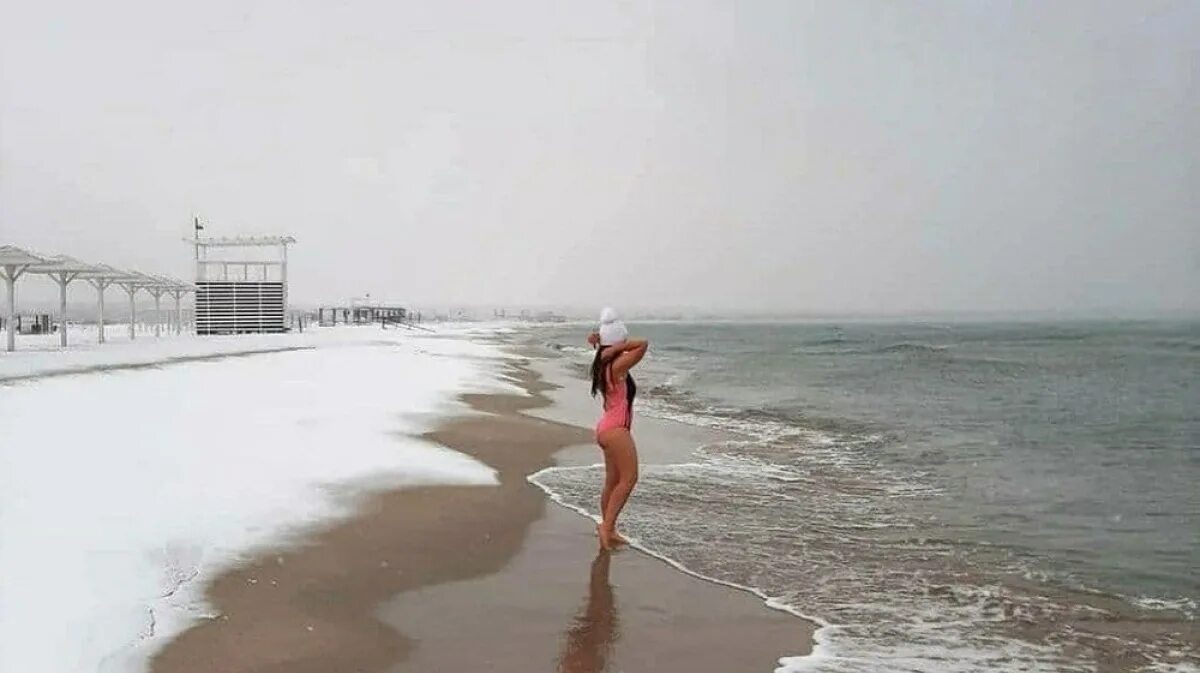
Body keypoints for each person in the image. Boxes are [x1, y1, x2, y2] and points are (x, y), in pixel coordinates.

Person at [586, 308, 648, 550]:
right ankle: (606, 527)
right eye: (622, 339)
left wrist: (605, 344)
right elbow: (643, 345)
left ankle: (608, 528)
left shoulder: (604, 365)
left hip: (606, 429)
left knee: (613, 481)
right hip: (615, 429)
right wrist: (617, 346)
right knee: (630, 478)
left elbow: (610, 351)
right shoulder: (618, 364)